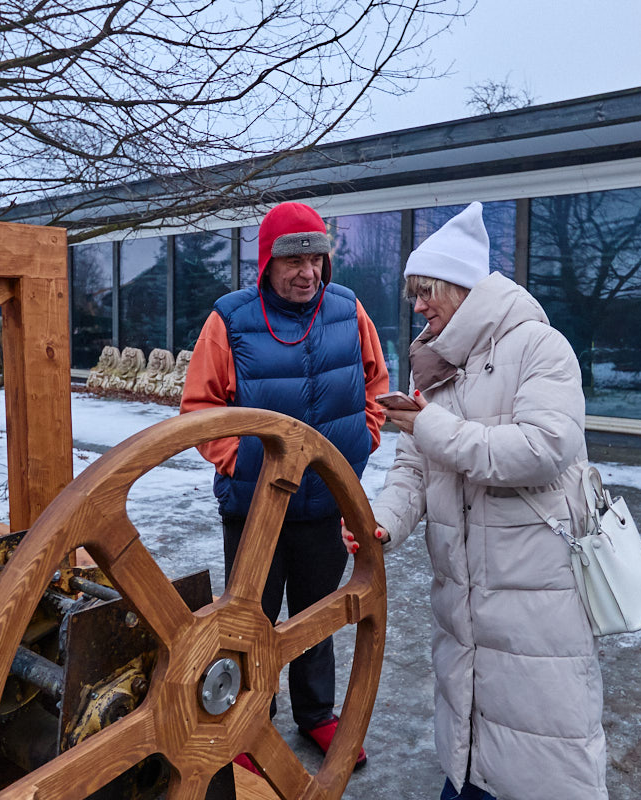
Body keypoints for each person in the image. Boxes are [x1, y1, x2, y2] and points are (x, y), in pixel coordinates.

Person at [345, 202, 607, 800]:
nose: (417, 306)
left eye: (426, 291)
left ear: (463, 287)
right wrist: (380, 524)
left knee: (540, 738)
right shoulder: (436, 368)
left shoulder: (540, 347)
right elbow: (414, 468)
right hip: (461, 594)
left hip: (533, 590)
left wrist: (429, 426)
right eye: (413, 294)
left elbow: (545, 448)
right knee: (470, 727)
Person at [180, 201, 389, 772]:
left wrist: (361, 441)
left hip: (326, 502)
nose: (306, 272)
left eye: (315, 259)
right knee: (253, 621)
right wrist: (242, 464)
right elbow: (200, 409)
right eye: (292, 260)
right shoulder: (229, 319)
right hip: (254, 509)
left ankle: (318, 713)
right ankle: (251, 724)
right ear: (267, 262)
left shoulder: (349, 309)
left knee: (317, 615)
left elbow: (375, 381)